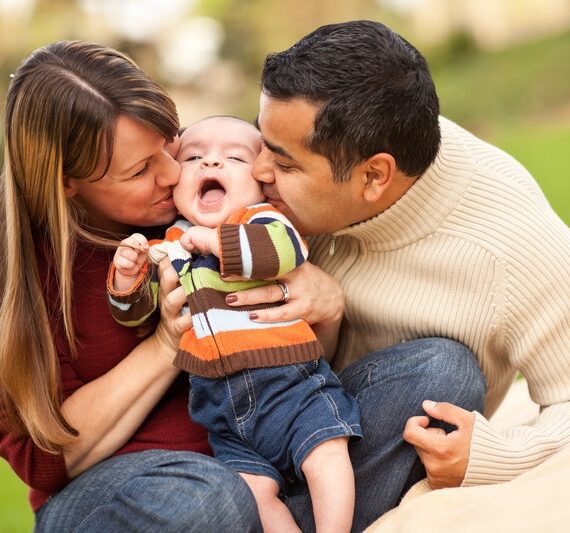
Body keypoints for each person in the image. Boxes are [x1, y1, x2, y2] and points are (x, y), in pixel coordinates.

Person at [240, 19, 570, 529]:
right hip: (242, 404)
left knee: (443, 371)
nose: (258, 171)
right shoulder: (267, 176)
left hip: (361, 432)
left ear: (374, 176)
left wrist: (494, 453)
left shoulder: (508, 243)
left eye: (284, 164)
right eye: (262, 142)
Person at [0, 40, 265, 532]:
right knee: (205, 498)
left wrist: (324, 302)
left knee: (427, 370)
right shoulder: (23, 270)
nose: (172, 173)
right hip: (128, 493)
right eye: (141, 169)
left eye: (169, 142)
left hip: (261, 453)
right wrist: (168, 341)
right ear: (65, 183)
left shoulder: (211, 190)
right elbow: (43, 459)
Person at [107, 115, 362, 532]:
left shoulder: (263, 220)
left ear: (262, 179)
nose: (210, 164)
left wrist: (217, 242)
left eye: (233, 157)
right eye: (193, 156)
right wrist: (126, 278)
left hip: (292, 388)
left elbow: (285, 251)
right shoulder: (168, 245)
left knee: (326, 453)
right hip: (221, 413)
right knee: (251, 492)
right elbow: (136, 316)